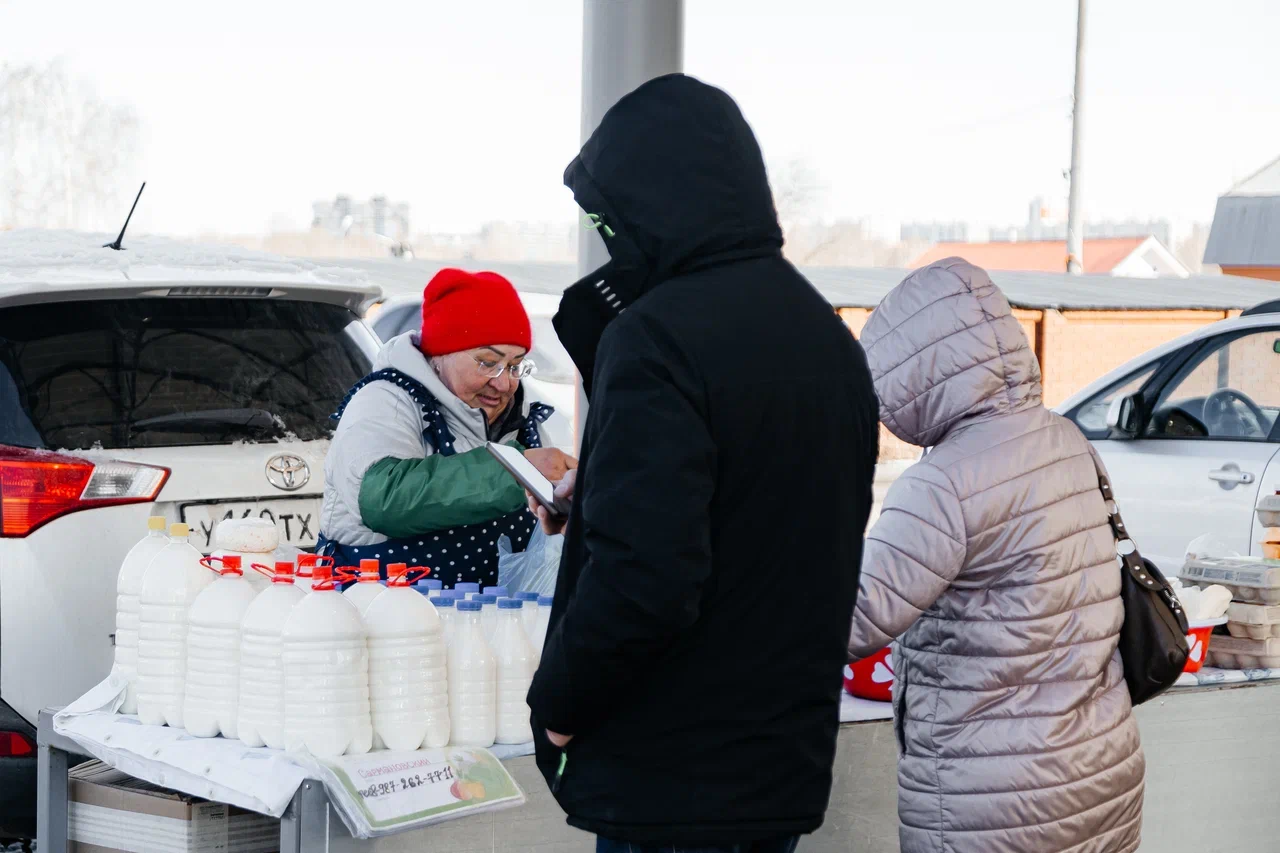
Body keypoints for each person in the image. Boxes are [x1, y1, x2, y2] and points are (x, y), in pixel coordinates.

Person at [524, 74, 880, 852]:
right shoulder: (828, 341)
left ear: (652, 204)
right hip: (776, 767)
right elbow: (775, 517)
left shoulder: (659, 338)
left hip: (671, 774)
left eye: (610, 217)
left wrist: (559, 703)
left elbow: (645, 581)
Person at [847, 259, 1145, 853]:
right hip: (1100, 773)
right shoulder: (1066, 438)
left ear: (910, 373)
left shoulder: (944, 482)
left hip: (994, 801)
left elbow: (849, 616)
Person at [317, 268, 576, 587]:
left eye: (513, 365)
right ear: (439, 353)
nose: (504, 382)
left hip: (491, 626)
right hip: (382, 618)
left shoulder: (524, 420)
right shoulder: (387, 401)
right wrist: (519, 472)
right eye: (487, 362)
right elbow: (384, 500)